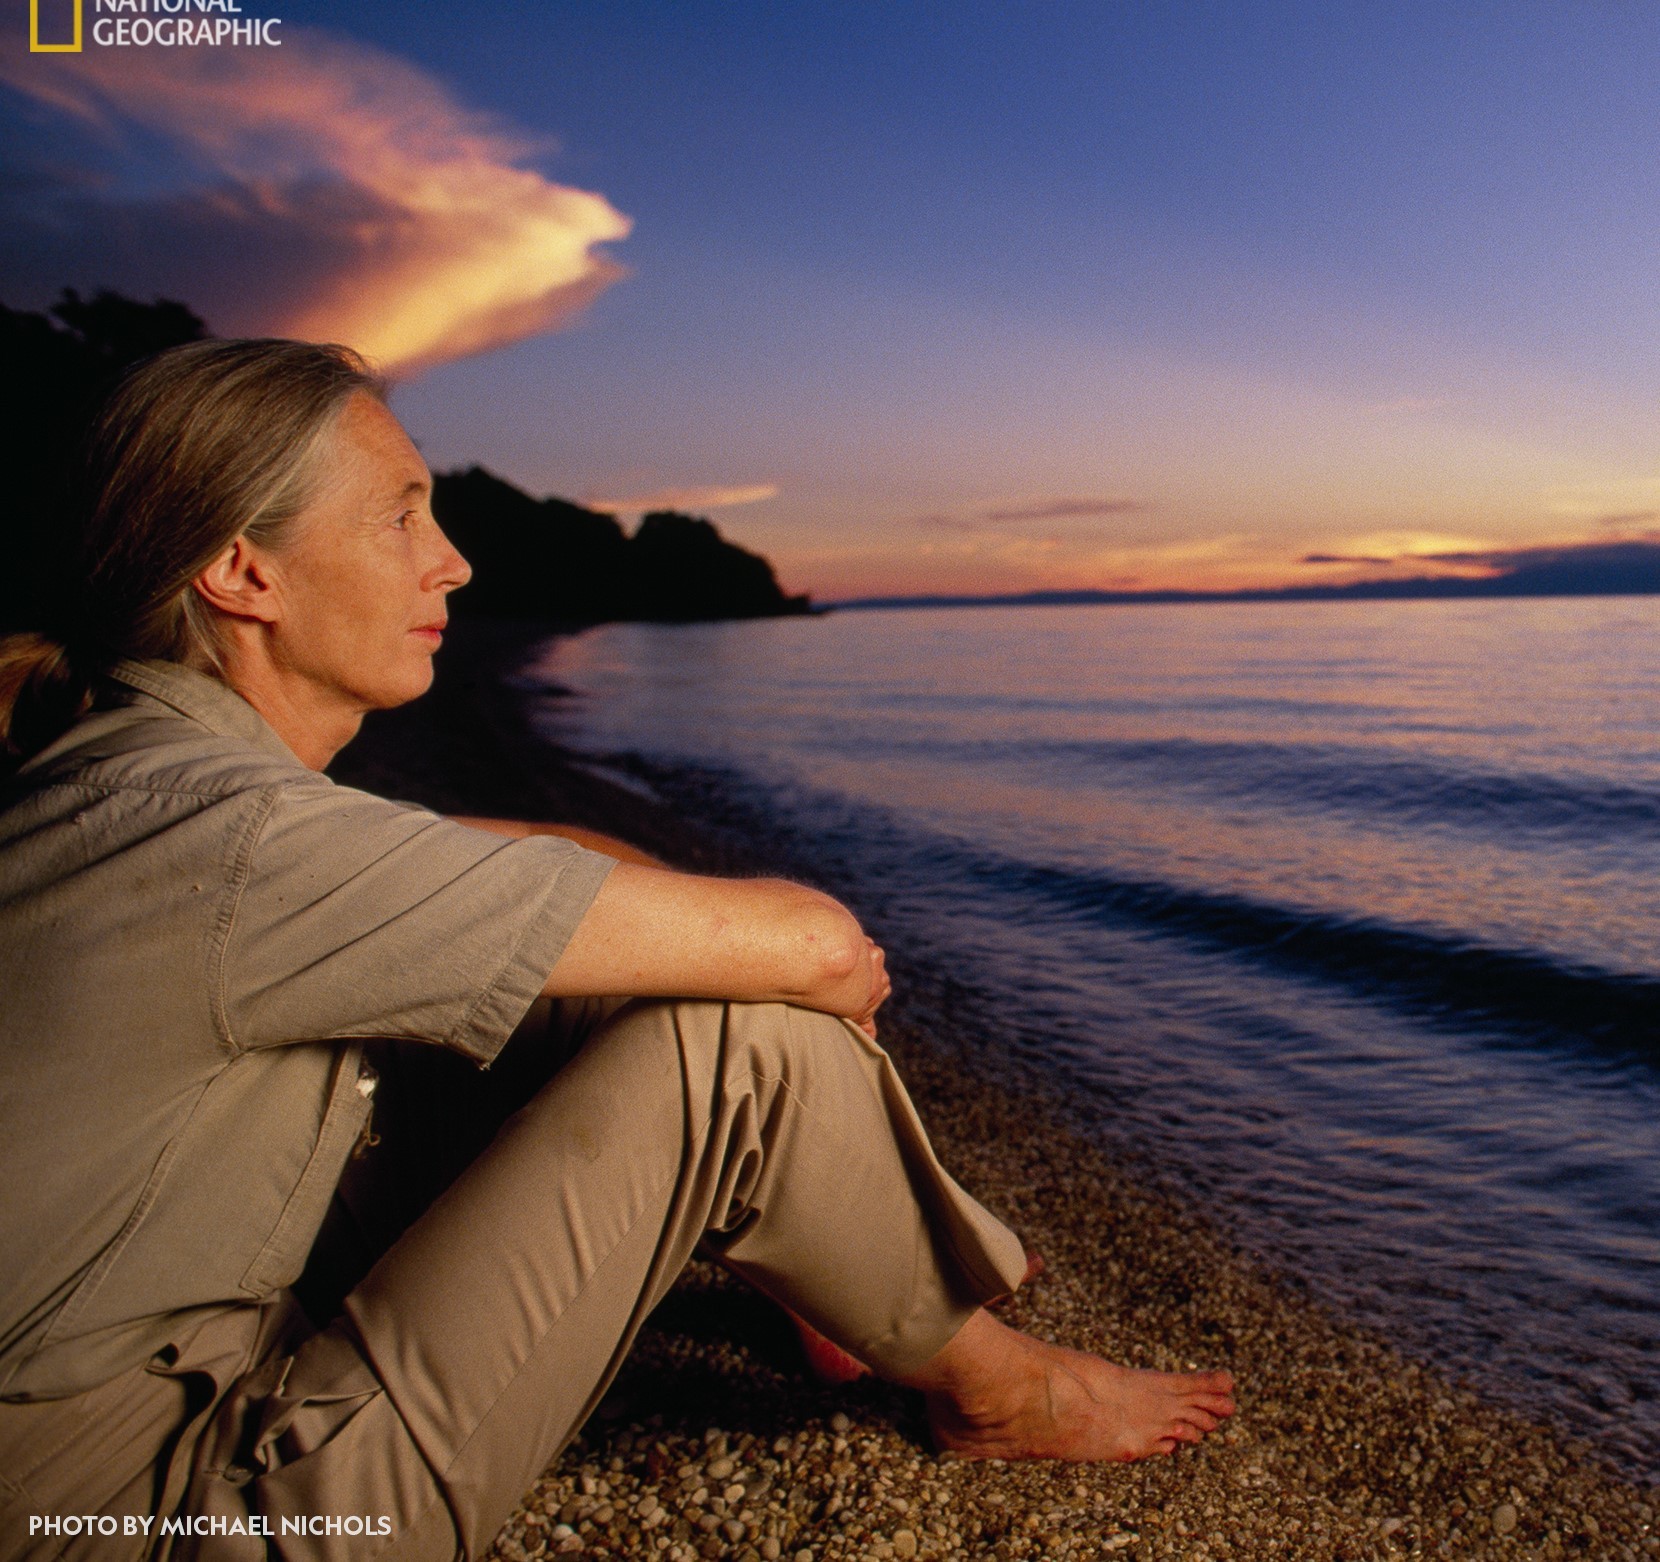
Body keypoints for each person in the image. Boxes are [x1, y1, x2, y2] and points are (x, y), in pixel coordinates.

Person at [0, 340, 1235, 1561]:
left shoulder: (136, 778)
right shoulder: (240, 842)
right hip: (151, 1510)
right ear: (241, 571)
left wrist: (740, 959)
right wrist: (802, 971)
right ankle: (998, 1385)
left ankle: (831, 1255)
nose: (454, 558)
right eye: (401, 518)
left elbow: (539, 848)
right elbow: (810, 941)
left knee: (621, 975)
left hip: (150, 1396)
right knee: (736, 1043)